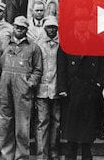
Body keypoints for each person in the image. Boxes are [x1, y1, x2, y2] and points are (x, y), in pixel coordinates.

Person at [0, 16, 43, 159]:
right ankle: (7, 155)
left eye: (22, 28)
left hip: (23, 91)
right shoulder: (4, 45)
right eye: (16, 27)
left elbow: (38, 70)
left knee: (22, 125)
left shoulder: (33, 47)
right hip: (4, 89)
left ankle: (21, 156)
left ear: (26, 30)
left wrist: (30, 83)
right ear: (13, 27)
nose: (19, 30)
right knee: (5, 124)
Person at [57, 43, 104, 160]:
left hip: (89, 90)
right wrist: (62, 88)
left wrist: (98, 84)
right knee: (71, 126)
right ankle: (71, 155)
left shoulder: (96, 42)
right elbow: (61, 67)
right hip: (72, 90)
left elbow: (102, 66)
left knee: (88, 126)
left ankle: (86, 154)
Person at [35, 18, 61, 160]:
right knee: (42, 123)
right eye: (49, 27)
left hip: (56, 89)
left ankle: (54, 152)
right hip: (42, 90)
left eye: (54, 27)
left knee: (56, 122)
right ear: (45, 28)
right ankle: (42, 155)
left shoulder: (62, 44)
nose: (51, 30)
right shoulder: (38, 44)